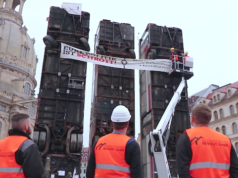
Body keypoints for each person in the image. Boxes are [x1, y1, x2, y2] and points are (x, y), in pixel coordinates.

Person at [176, 104, 238, 178]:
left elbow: (182, 170)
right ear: (209, 120)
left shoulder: (187, 137)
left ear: (192, 119)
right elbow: (235, 169)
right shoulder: (225, 140)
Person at [86, 105, 142, 178]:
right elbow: (137, 175)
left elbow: (89, 173)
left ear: (112, 123)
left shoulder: (99, 143)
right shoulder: (132, 146)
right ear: (127, 125)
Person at [0, 113, 44, 178]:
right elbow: (35, 173)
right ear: (26, 126)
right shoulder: (28, 145)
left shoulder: (1, 143)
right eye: (30, 124)